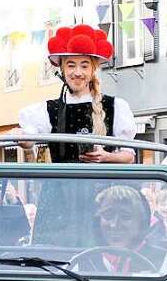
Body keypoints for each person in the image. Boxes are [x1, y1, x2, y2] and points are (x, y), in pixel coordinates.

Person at [19, 24, 136, 246]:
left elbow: (129, 156)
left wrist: (106, 157)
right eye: (71, 65)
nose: (77, 72)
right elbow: (28, 141)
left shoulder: (115, 107)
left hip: (102, 201)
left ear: (93, 70)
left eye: (84, 65)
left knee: (97, 255)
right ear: (62, 69)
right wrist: (21, 138)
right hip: (59, 199)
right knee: (54, 258)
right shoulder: (48, 110)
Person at [74, 185, 167, 274]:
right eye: (108, 216)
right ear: (97, 222)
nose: (114, 225)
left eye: (125, 217)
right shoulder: (81, 263)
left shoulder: (166, 263)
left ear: (141, 222)